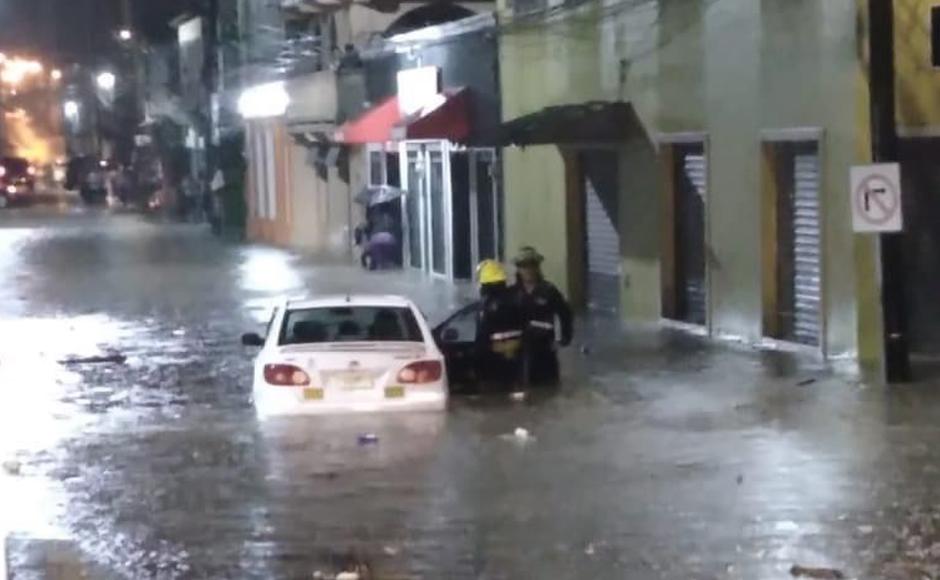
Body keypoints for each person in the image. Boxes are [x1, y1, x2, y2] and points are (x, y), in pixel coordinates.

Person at [511, 246, 574, 386]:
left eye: (531, 265)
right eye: (523, 266)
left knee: (548, 389)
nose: (528, 270)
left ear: (537, 267)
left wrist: (563, 339)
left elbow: (565, 314)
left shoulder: (549, 291)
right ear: (518, 269)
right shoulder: (512, 293)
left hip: (545, 350)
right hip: (520, 351)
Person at [475, 260, 526, 387]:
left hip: (495, 358)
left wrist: (477, 364)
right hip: (517, 356)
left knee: (494, 395)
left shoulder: (486, 306)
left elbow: (482, 335)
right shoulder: (516, 298)